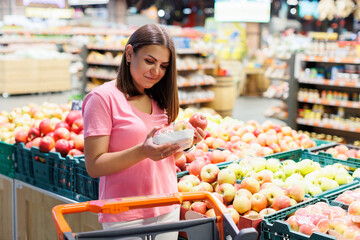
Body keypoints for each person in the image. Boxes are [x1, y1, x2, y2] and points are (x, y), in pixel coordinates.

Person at [82, 24, 205, 239]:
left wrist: (186, 142)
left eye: (164, 65)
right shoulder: (102, 99)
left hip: (166, 205)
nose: (156, 72)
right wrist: (142, 151)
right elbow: (94, 166)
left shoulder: (160, 98)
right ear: (129, 54)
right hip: (124, 211)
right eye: (150, 61)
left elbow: (163, 157)